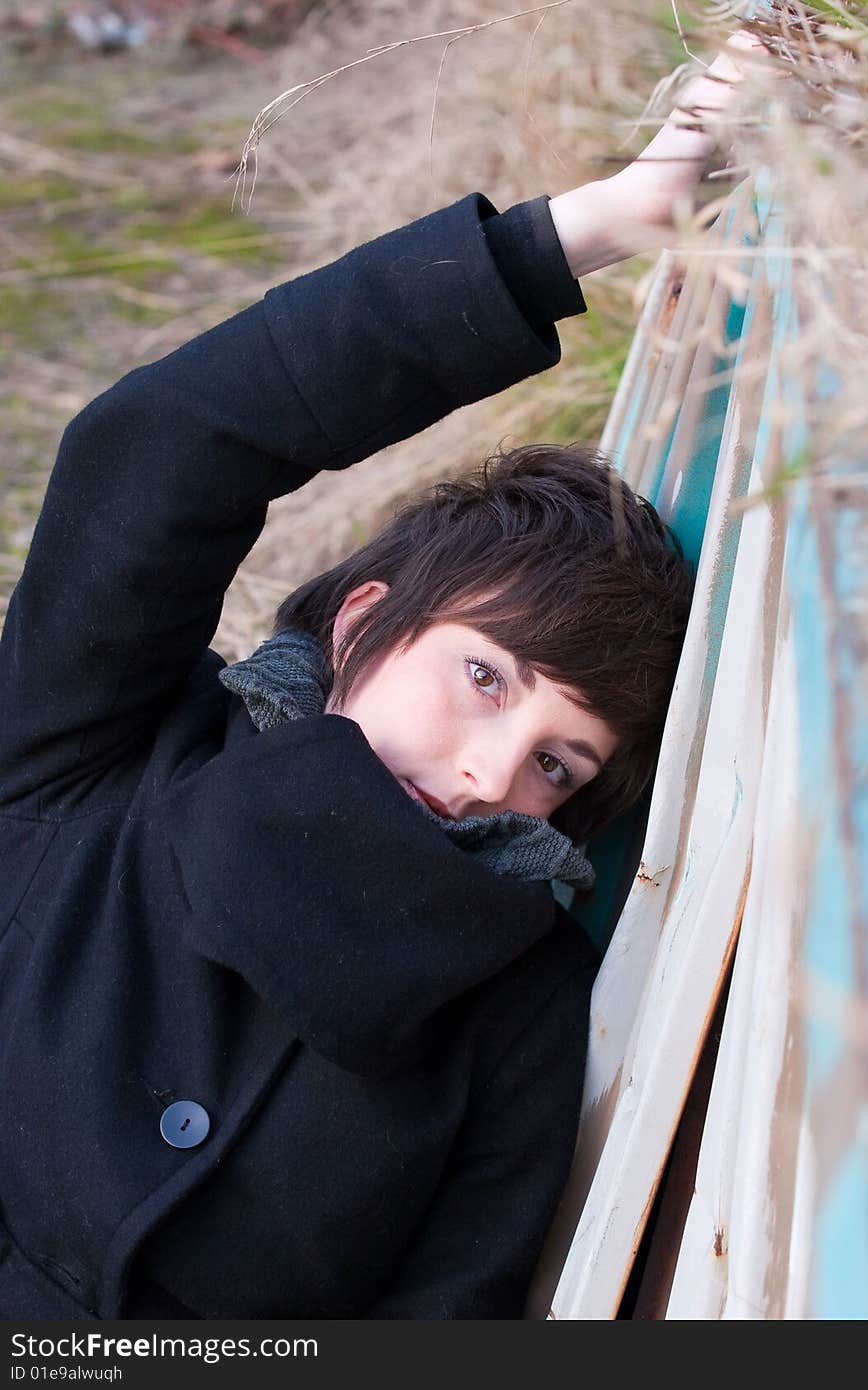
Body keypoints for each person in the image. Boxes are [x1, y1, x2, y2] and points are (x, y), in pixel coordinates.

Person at [0, 33, 764, 1319]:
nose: (490, 773)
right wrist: (583, 230)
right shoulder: (101, 751)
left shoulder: (515, 1014)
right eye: (482, 675)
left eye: (558, 761)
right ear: (362, 621)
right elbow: (158, 448)